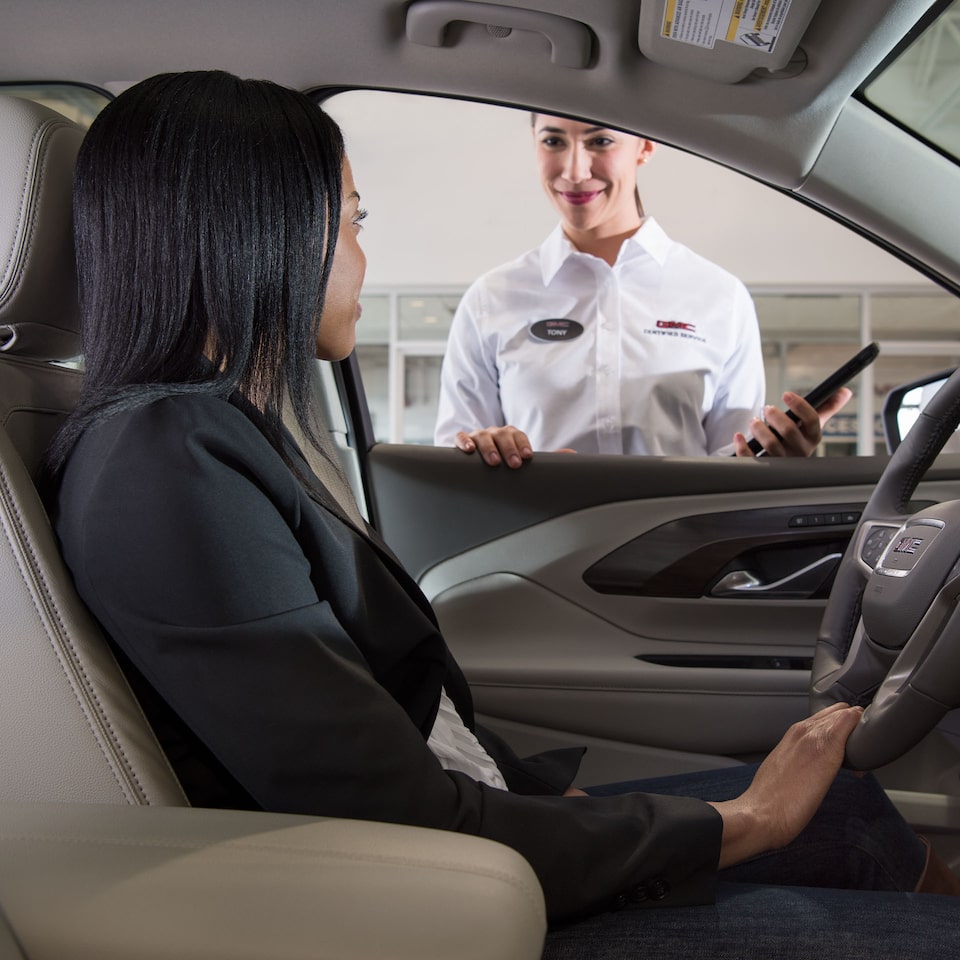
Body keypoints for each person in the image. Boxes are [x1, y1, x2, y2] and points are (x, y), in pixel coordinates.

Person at [44, 71, 959, 958]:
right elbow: (396, 821)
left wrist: (559, 805)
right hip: (444, 904)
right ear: (268, 229)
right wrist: (749, 823)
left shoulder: (207, 433)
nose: (364, 253)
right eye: (356, 222)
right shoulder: (165, 462)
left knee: (846, 805)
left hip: (463, 841)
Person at [433, 114, 851, 469]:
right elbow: (454, 458)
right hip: (533, 552)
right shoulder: (492, 299)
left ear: (645, 146)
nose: (575, 171)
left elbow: (733, 463)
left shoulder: (719, 295)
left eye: (601, 141)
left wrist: (777, 459)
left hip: (680, 555)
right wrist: (484, 451)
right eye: (553, 141)